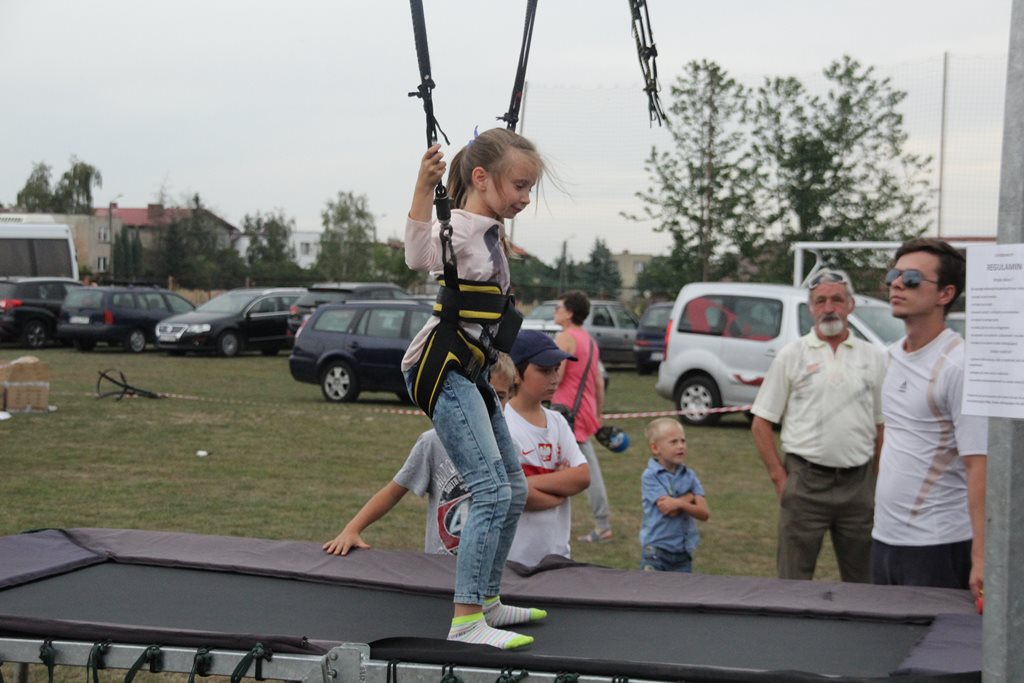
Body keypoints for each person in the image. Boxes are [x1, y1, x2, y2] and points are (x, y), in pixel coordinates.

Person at [402, 128, 545, 650]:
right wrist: (424, 186)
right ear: (482, 179)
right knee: (489, 490)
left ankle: (487, 599)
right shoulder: (459, 225)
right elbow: (419, 255)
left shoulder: (484, 226)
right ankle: (466, 618)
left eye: (530, 189)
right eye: (521, 186)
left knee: (514, 487)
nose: (525, 199)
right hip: (440, 368)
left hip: (471, 370)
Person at [750, 269, 885, 583]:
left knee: (865, 585)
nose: (829, 308)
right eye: (820, 301)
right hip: (805, 484)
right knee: (793, 584)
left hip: (859, 486)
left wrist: (875, 481)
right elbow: (761, 422)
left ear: (851, 305)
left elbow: (883, 425)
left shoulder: (874, 357)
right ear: (810, 308)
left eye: (837, 299)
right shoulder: (792, 355)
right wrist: (780, 480)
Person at [873, 238, 987, 598]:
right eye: (894, 274)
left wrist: (982, 557)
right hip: (883, 539)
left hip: (937, 544)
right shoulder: (891, 357)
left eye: (911, 278)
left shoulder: (960, 364)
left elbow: (979, 467)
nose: (896, 284)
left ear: (945, 294)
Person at [322, 355, 516, 557]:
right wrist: (352, 529)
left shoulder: (511, 450)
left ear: (510, 396)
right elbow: (393, 492)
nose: (487, 404)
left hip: (489, 571)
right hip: (438, 569)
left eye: (499, 396)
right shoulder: (433, 443)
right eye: (478, 395)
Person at [505, 330, 591, 566]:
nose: (554, 377)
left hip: (556, 557)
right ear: (515, 374)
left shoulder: (558, 422)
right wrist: (559, 485)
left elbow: (582, 476)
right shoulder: (501, 424)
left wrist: (525, 484)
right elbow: (510, 495)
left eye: (556, 368)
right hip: (512, 559)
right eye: (544, 370)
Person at [551, 290, 613, 544]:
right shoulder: (589, 340)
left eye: (559, 307)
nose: (555, 311)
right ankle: (602, 523)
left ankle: (602, 524)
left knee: (565, 469)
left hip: (565, 412)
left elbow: (557, 376)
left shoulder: (564, 338)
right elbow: (598, 381)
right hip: (584, 411)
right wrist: (596, 413)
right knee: (583, 467)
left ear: (570, 313)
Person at [640, 418, 709, 572]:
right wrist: (690, 497)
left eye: (683, 441)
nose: (680, 446)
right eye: (673, 442)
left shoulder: (689, 475)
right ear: (655, 448)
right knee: (650, 594)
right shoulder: (650, 476)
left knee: (682, 596)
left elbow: (704, 513)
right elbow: (669, 510)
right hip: (656, 553)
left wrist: (679, 503)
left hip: (683, 554)